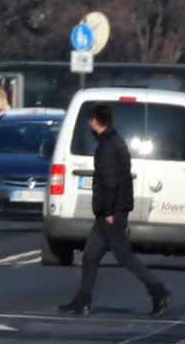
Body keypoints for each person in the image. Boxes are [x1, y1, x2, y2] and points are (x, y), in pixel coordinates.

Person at [60, 104, 172, 317]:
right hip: (107, 211)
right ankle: (82, 301)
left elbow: (110, 182)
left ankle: (159, 291)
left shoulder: (108, 146)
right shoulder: (112, 142)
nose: (89, 123)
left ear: (94, 121)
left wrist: (109, 212)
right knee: (90, 255)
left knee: (124, 256)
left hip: (111, 212)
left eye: (89, 119)